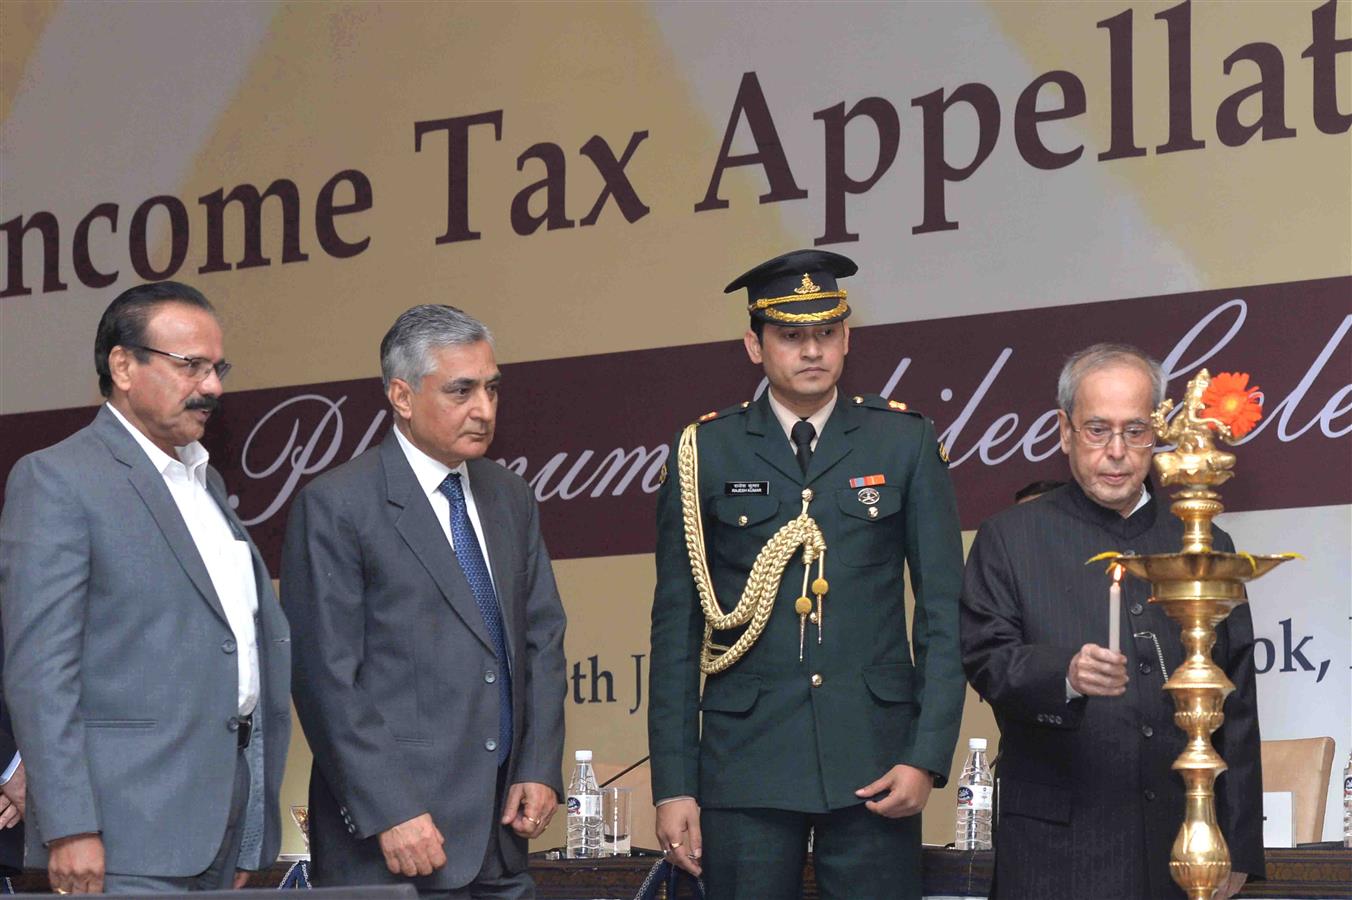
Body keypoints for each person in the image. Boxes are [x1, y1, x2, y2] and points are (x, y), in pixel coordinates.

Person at [648, 250, 966, 899]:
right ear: (754, 344)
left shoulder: (902, 441)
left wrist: (925, 756)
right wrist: (676, 783)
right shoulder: (705, 451)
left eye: (825, 334)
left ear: (847, 338)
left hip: (875, 762)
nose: (811, 350)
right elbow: (676, 631)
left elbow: (943, 612)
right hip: (747, 764)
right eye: (791, 336)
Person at [0, 281, 292, 894]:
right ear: (123, 366)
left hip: (218, 826)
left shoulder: (203, 485)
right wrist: (69, 825)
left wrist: (250, 826)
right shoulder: (58, 479)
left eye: (217, 367)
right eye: (191, 365)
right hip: (120, 835)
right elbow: (39, 671)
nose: (212, 386)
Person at [282, 304, 567, 899]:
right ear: (402, 397)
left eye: (491, 388)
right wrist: (389, 810)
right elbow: (325, 681)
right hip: (398, 842)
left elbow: (542, 640)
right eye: (461, 390)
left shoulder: (509, 495)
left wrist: (538, 767)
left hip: (501, 836)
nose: (484, 409)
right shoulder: (338, 504)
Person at [960, 343, 1263, 900]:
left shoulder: (1203, 542)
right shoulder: (1010, 537)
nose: (1117, 452)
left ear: (1159, 434)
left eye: (1136, 430)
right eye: (1098, 429)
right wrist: (1067, 675)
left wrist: (1237, 843)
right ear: (1064, 431)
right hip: (1056, 852)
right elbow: (987, 658)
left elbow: (1236, 700)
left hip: (1183, 845)